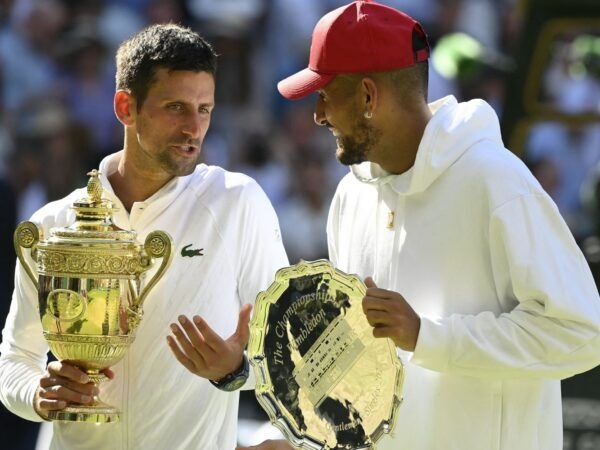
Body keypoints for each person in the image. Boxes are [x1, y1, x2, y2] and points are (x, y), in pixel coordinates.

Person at [238, 1, 600, 449]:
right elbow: (355, 367)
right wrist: (295, 435)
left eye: (325, 95)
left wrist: (429, 337)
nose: (317, 115)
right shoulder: (350, 197)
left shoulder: (496, 180)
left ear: (369, 97)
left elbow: (582, 331)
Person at [0, 23, 288, 450]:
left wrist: (237, 370)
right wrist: (39, 393)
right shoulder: (54, 224)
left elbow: (290, 352)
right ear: (125, 107)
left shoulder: (237, 202)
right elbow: (14, 362)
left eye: (204, 109)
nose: (194, 128)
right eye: (176, 107)